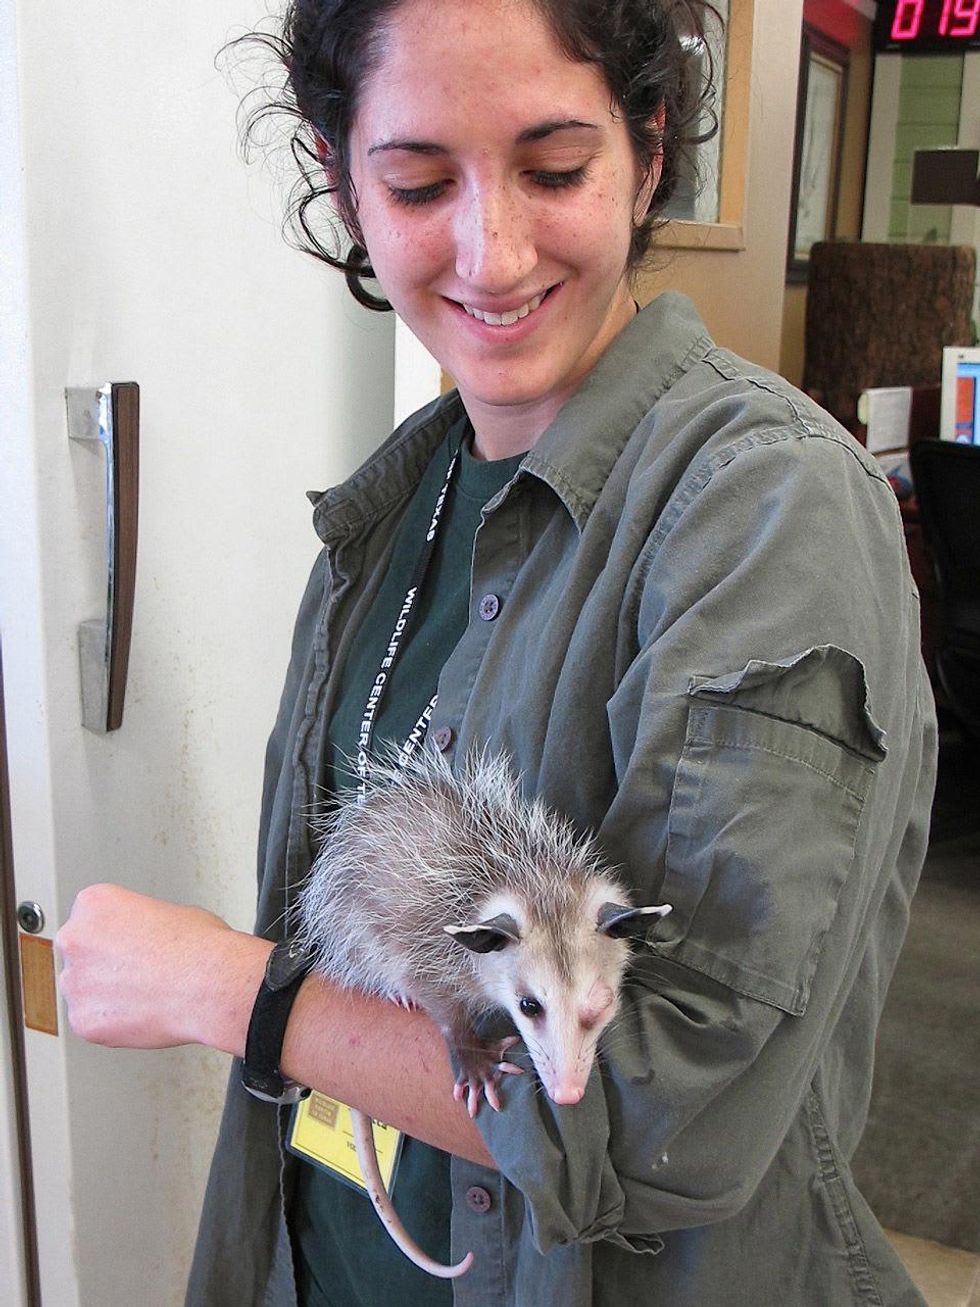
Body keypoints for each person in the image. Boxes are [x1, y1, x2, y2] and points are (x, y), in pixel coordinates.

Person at [55, 0, 936, 1304]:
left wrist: (227, 991)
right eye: (420, 182)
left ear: (647, 148)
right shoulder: (391, 513)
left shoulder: (767, 512)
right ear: (342, 180)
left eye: (556, 169)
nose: (494, 251)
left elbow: (665, 1119)